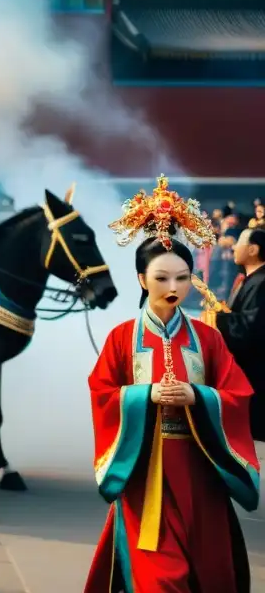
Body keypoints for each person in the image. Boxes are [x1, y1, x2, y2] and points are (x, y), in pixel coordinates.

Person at [85, 176, 258, 593]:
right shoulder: (122, 338)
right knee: (159, 579)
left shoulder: (208, 337)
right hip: (145, 471)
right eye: (162, 278)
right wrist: (144, 396)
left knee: (205, 572)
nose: (174, 287)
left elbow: (238, 394)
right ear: (142, 280)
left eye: (182, 278)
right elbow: (102, 393)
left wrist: (197, 395)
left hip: (200, 469)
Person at [217, 228, 265, 440]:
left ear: (253, 249)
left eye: (240, 242)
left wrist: (218, 318)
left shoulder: (262, 283)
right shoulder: (251, 280)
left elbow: (249, 328)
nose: (235, 247)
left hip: (256, 375)